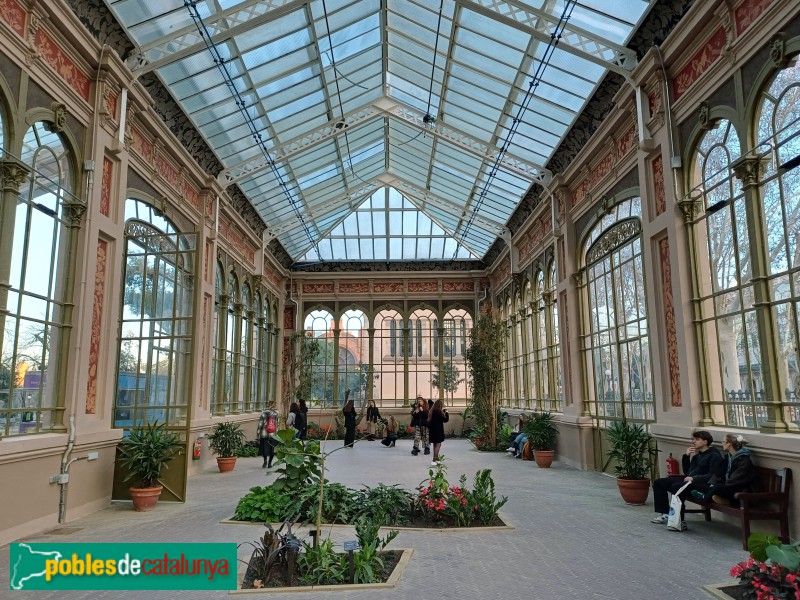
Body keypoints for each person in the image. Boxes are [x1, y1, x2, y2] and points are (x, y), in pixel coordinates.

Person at [650, 430, 726, 532]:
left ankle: (680, 521)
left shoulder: (714, 455)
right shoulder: (697, 456)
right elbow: (687, 472)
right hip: (690, 481)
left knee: (677, 486)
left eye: (697, 439)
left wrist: (695, 478)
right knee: (659, 482)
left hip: (703, 485)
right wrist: (686, 456)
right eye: (693, 439)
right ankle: (665, 513)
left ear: (705, 442)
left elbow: (713, 475)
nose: (694, 441)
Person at [692, 434, 757, 505]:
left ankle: (704, 498)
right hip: (731, 488)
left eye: (723, 441)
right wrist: (712, 483)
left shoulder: (744, 460)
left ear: (729, 444)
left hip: (741, 491)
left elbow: (736, 479)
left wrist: (720, 485)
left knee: (718, 488)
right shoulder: (729, 458)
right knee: (711, 486)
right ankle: (720, 499)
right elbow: (719, 472)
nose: (722, 443)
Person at [427, 399, 449, 466]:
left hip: (432, 431)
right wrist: (446, 412)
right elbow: (445, 420)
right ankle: (434, 460)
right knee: (438, 445)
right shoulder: (439, 412)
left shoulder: (431, 411)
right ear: (440, 405)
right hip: (438, 431)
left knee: (435, 445)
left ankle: (436, 459)